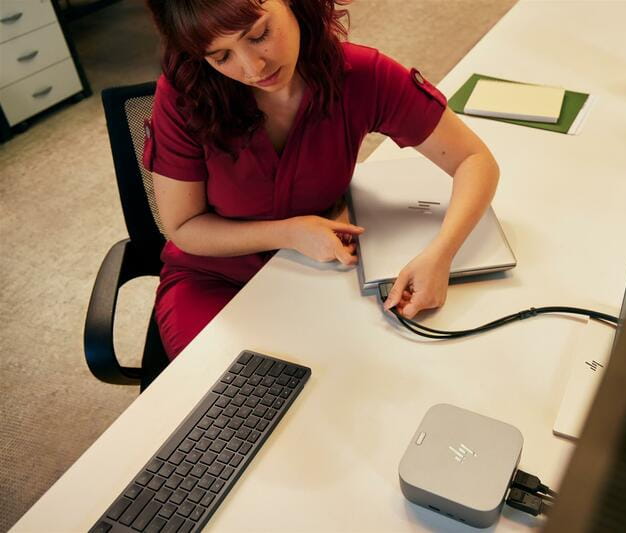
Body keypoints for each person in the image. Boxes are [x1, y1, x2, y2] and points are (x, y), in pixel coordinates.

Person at [144, 0, 499, 360]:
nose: (253, 68)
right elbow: (184, 227)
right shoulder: (184, 96)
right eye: (221, 56)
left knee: (381, 370)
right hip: (213, 281)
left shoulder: (360, 75)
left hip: (319, 274)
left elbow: (473, 160)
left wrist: (441, 255)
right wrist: (290, 233)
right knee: (241, 387)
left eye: (259, 35)